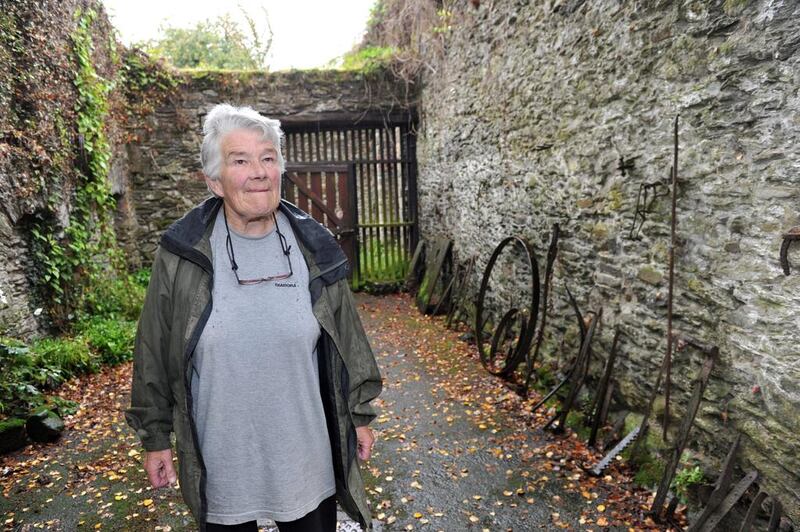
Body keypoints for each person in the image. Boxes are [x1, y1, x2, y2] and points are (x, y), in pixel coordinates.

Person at [125, 103, 383, 532]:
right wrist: (155, 439)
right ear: (214, 181)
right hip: (223, 462)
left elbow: (349, 340)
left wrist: (359, 415)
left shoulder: (314, 249)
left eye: (268, 158)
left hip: (306, 460)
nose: (259, 171)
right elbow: (152, 348)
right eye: (240, 160)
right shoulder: (182, 255)